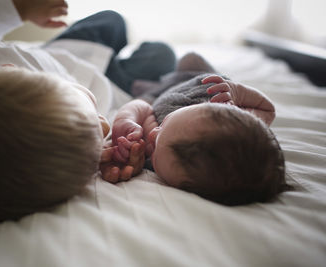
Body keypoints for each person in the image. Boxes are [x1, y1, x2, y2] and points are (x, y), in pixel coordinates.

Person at [0, 0, 174, 222]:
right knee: (162, 55)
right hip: (114, 88)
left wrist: (19, 9)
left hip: (72, 56)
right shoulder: (56, 156)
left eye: (96, 125)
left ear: (11, 70)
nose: (105, 127)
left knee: (112, 20)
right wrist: (124, 142)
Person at [102, 52, 290, 206]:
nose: (153, 133)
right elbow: (268, 109)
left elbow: (142, 106)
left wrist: (125, 122)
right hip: (189, 79)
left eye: (156, 152)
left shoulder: (170, 162)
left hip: (154, 93)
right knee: (185, 58)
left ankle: (141, 79)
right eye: (163, 126)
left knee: (152, 61)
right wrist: (236, 91)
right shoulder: (216, 96)